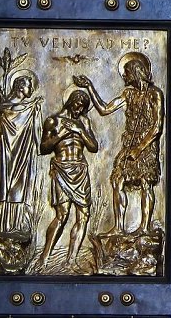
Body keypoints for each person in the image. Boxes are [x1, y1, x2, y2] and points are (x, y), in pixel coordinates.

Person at [73, 52, 164, 235]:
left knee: (145, 182)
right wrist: (89, 87)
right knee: (118, 180)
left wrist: (139, 149)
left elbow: (157, 127)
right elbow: (105, 109)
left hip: (146, 145)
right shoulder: (128, 94)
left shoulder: (155, 94)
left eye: (127, 73)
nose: (124, 76)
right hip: (129, 144)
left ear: (136, 72)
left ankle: (144, 227)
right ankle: (119, 227)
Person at [37, 89, 98, 271]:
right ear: (70, 101)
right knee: (62, 214)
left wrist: (80, 130)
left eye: (83, 107)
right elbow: (43, 148)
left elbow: (93, 147)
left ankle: (71, 260)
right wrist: (60, 135)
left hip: (80, 169)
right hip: (62, 169)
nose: (80, 109)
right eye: (78, 104)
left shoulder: (84, 122)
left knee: (84, 215)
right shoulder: (53, 121)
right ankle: (44, 257)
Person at [0, 73, 43, 236]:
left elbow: (35, 132)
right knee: (2, 184)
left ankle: (15, 224)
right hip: (5, 154)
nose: (31, 89)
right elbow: (5, 116)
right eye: (28, 86)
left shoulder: (26, 108)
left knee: (18, 186)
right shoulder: (5, 109)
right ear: (20, 87)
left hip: (21, 153)